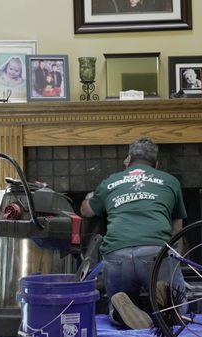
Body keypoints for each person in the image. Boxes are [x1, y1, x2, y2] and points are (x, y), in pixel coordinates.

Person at [80, 136, 188, 330]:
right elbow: (177, 224)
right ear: (156, 164)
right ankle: (167, 305)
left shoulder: (111, 181)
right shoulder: (170, 181)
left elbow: (86, 211)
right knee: (179, 308)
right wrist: (174, 257)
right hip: (155, 253)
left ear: (128, 160)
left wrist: (90, 197)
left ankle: (120, 311)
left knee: (117, 305)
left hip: (117, 254)